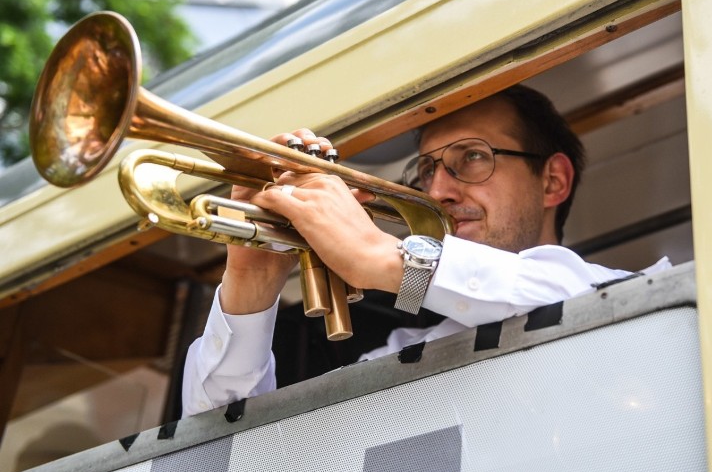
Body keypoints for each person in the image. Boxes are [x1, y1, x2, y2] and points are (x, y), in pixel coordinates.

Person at [181, 85, 670, 417]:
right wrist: (251, 282)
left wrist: (387, 257)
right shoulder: (395, 362)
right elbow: (221, 453)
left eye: (473, 158)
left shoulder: (613, 297)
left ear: (553, 181)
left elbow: (577, 293)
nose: (439, 191)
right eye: (427, 169)